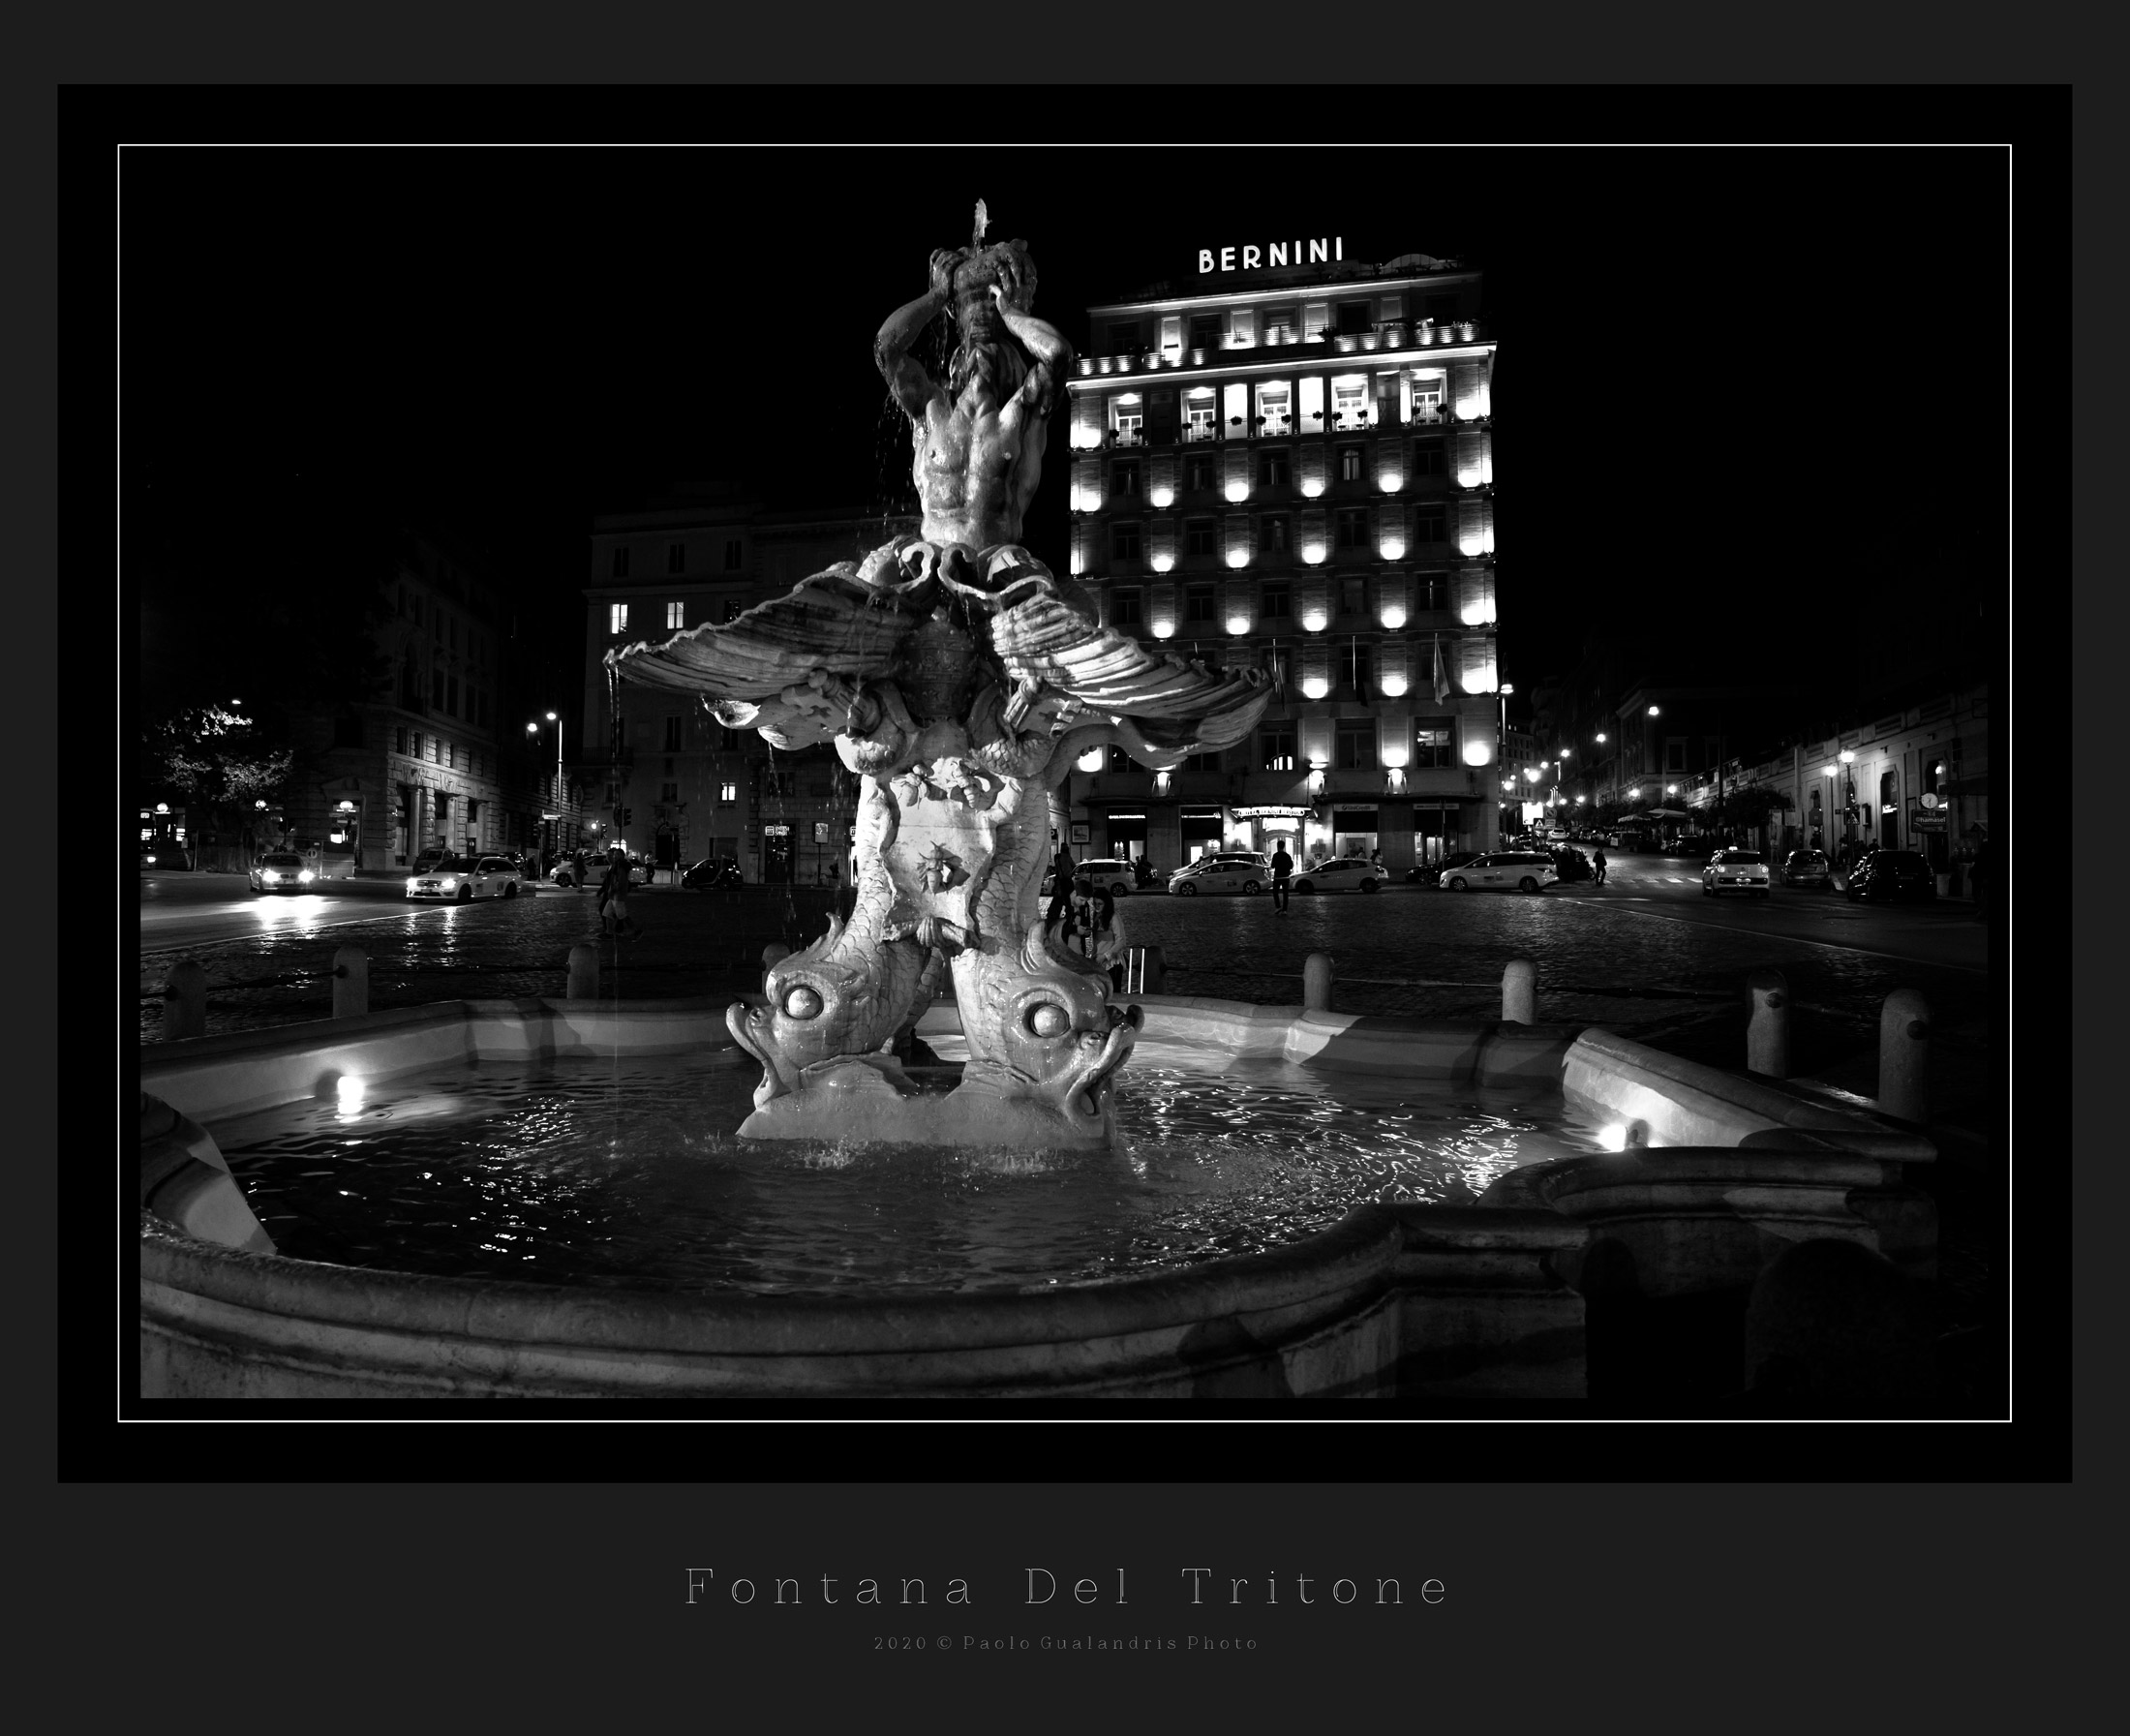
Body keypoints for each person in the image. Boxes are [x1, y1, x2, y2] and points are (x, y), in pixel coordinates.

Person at [875, 230, 1073, 552]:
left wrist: (1012, 314)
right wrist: (937, 295)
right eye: (971, 318)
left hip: (996, 572)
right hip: (931, 569)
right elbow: (886, 349)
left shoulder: (1023, 411)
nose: (979, 354)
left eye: (992, 320)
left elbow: (1057, 354)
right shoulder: (930, 409)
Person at [597, 847, 641, 939]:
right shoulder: (617, 865)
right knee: (606, 913)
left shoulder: (621, 867)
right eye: (614, 854)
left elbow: (620, 881)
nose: (615, 856)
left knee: (622, 916)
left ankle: (636, 931)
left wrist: (613, 889)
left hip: (618, 895)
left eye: (617, 854)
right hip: (613, 895)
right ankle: (609, 933)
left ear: (622, 856)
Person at [1044, 837, 1076, 929]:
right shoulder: (1067, 857)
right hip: (1067, 881)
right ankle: (1069, 915)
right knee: (1068, 900)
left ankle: (1053, 916)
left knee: (1059, 898)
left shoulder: (1057, 857)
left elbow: (1057, 870)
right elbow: (1073, 865)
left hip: (1060, 882)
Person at [1270, 841, 1293, 914]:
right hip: (1286, 877)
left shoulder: (1275, 855)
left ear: (1278, 846)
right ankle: (1284, 910)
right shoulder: (1287, 856)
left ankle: (1278, 907)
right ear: (1284, 846)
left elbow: (1272, 865)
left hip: (1278, 877)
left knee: (1275, 892)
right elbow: (1291, 866)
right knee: (1285, 893)